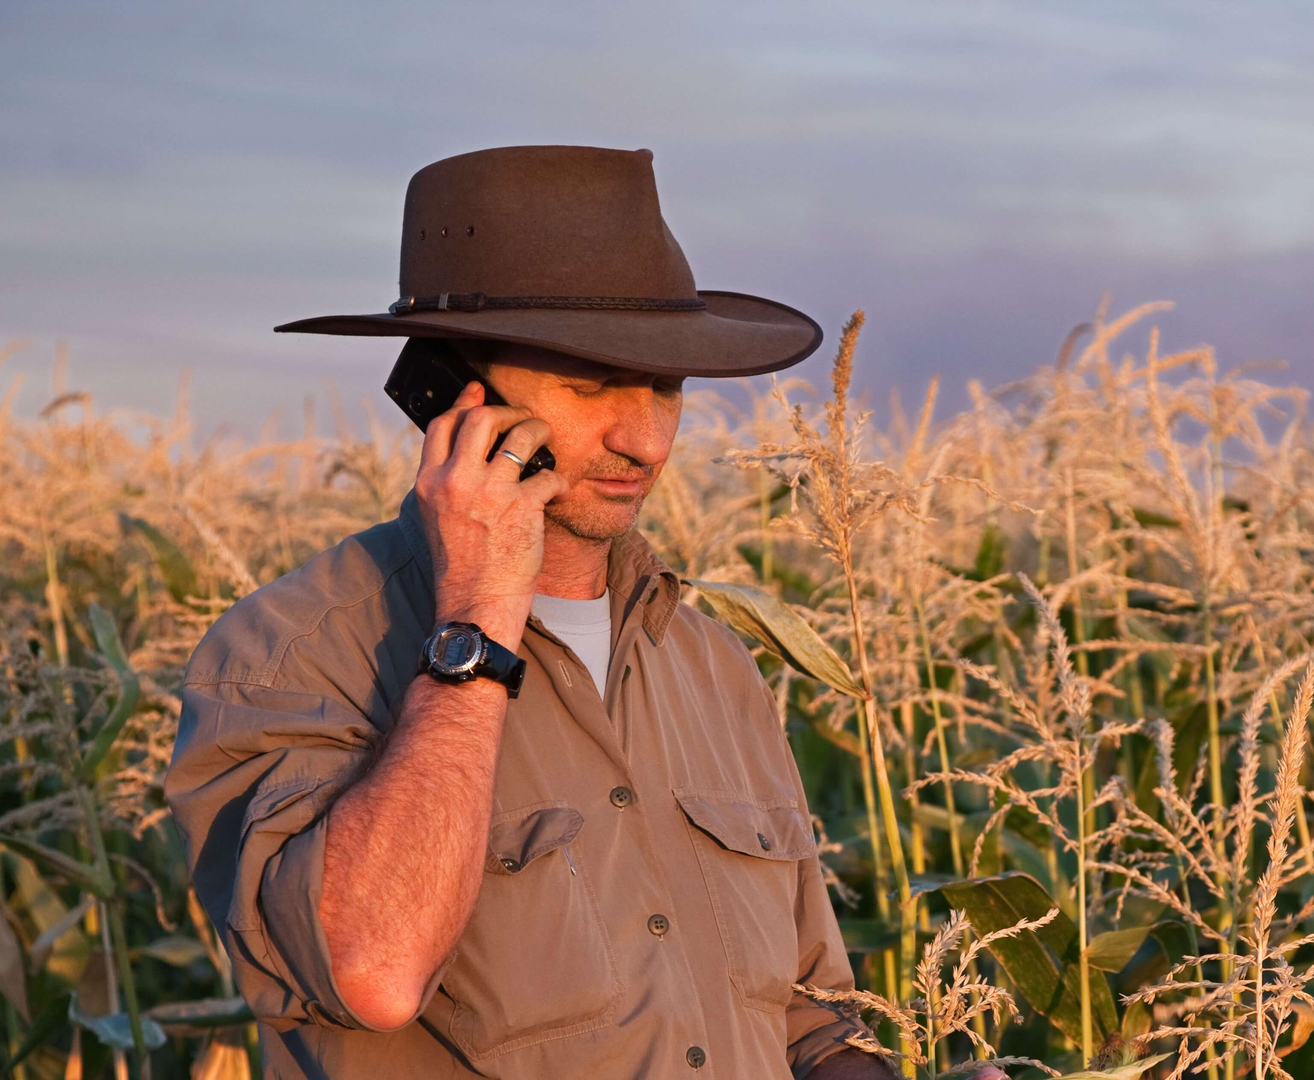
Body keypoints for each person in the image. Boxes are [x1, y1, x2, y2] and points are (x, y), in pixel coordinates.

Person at [165, 145, 1008, 1080]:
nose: (643, 441)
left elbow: (808, 1026)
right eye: (591, 383)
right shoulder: (287, 656)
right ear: (456, 392)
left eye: (666, 387)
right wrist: (478, 612)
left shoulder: (712, 665)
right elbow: (372, 970)